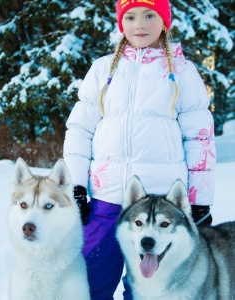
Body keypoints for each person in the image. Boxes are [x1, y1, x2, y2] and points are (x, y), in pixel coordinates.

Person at [63, 0, 216, 298]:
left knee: (147, 283)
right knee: (91, 275)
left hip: (158, 202)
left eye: (149, 15)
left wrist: (199, 200)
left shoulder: (183, 72)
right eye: (130, 17)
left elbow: (200, 140)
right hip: (105, 198)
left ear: (164, 21)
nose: (140, 24)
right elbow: (79, 132)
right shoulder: (103, 69)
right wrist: (76, 185)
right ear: (121, 23)